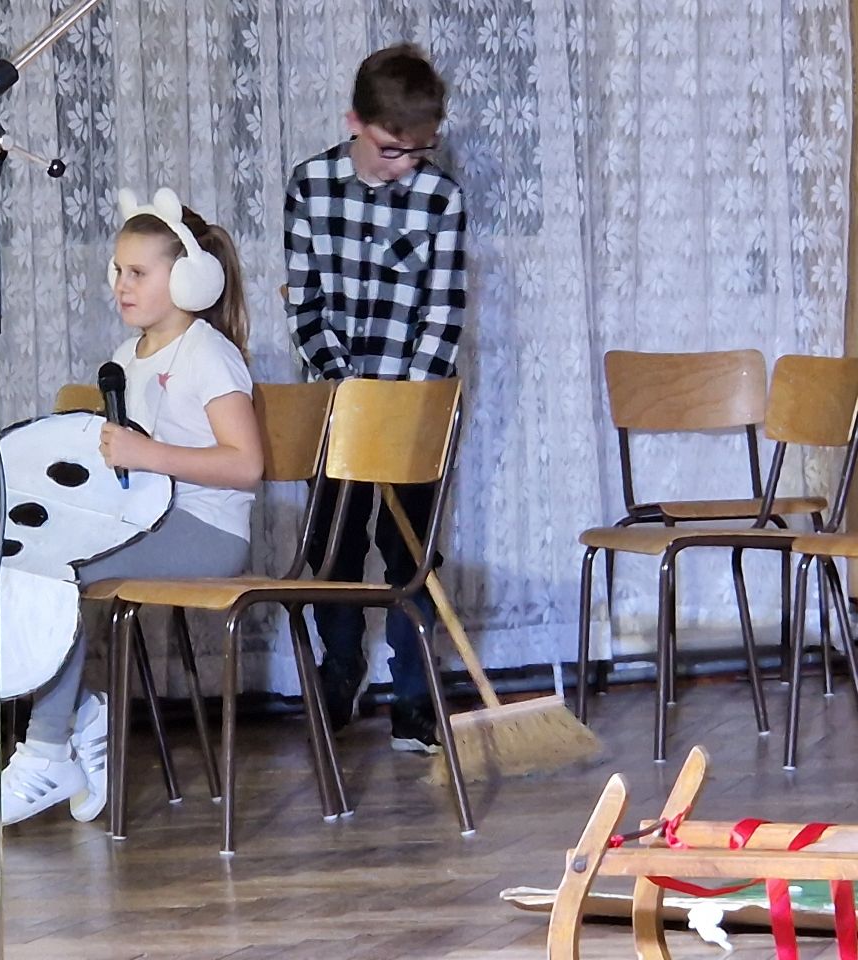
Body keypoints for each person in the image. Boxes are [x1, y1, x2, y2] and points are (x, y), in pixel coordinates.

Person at [0, 187, 262, 827]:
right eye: (118, 271)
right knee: (24, 561)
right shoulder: (127, 359)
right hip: (150, 523)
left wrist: (147, 454)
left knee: (61, 572)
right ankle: (80, 715)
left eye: (138, 273)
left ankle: (48, 751)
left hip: (207, 531)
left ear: (186, 279)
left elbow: (246, 465)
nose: (122, 285)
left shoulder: (209, 353)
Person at [283, 44, 467, 753]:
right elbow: (305, 305)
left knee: (409, 556)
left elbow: (443, 316)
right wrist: (349, 392)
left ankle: (413, 698)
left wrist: (400, 415)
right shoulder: (309, 186)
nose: (405, 166)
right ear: (355, 122)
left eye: (420, 151)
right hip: (335, 408)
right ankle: (340, 675)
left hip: (413, 411)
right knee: (334, 552)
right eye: (393, 150)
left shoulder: (441, 199)